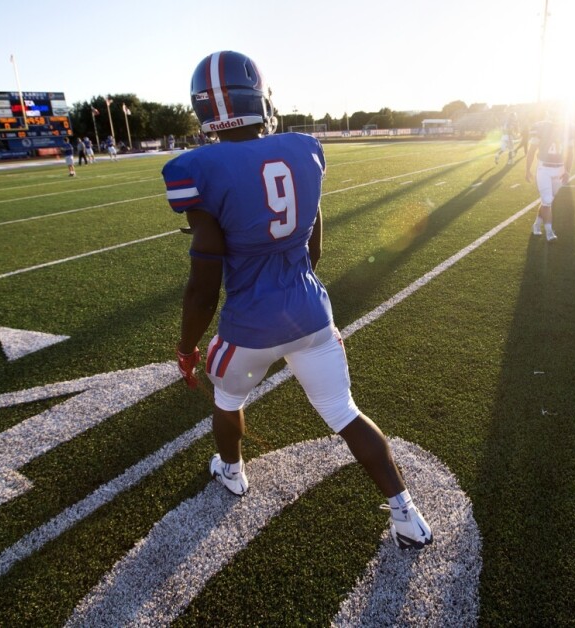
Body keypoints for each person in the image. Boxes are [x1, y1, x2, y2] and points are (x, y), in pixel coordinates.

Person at [162, 50, 432, 550]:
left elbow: (204, 283)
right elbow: (315, 246)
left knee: (227, 399)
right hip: (310, 311)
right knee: (345, 412)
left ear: (204, 109)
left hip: (248, 326)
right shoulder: (304, 148)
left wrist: (186, 347)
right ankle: (407, 515)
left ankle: (233, 472)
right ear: (259, 98)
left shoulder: (195, 168)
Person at [526, 110, 573, 242]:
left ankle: (536, 225)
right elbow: (532, 150)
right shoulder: (541, 127)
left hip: (559, 169)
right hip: (544, 169)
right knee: (547, 201)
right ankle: (549, 232)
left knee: (547, 201)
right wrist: (527, 169)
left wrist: (567, 170)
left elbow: (570, 153)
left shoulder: (568, 129)